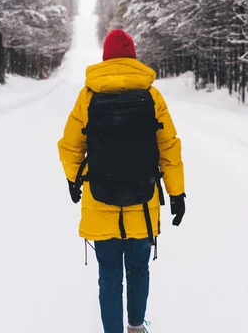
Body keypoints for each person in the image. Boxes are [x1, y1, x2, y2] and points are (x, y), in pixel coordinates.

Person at [57, 29, 186, 333]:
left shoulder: (88, 96)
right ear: (133, 57)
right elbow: (169, 146)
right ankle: (136, 327)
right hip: (143, 202)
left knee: (109, 275)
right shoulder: (152, 96)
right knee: (139, 269)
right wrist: (177, 193)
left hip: (100, 200)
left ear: (105, 59)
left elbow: (70, 145)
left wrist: (73, 180)